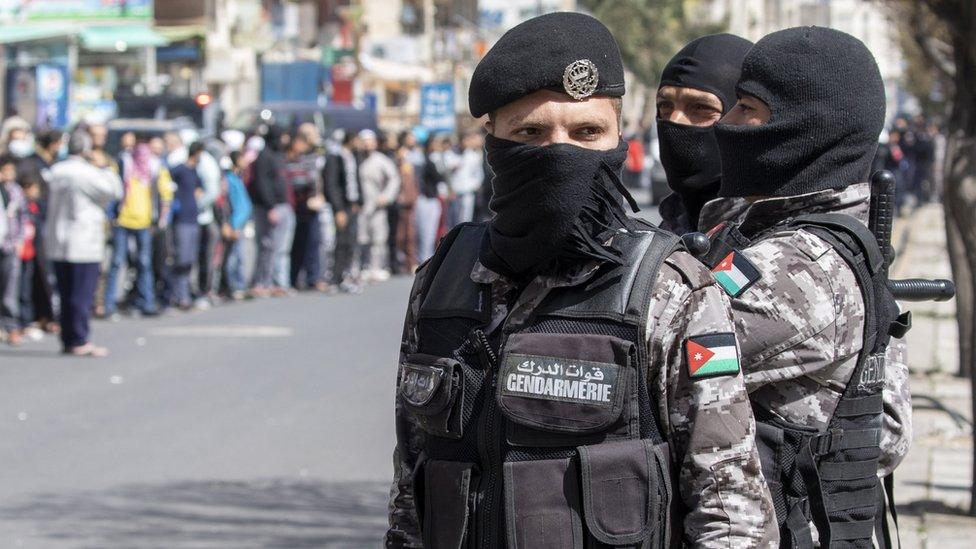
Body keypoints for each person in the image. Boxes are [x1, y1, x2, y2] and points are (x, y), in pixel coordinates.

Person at [386, 12, 776, 548]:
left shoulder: (667, 290)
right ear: (492, 140)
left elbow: (731, 512)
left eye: (587, 132)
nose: (560, 152)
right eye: (530, 132)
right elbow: (410, 491)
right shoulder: (445, 281)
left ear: (618, 139)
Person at [699, 26, 908, 545]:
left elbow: (655, 347)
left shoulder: (799, 268)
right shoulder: (821, 237)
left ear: (803, 128)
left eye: (747, 109)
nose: (728, 124)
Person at [655, 33, 754, 234]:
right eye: (665, 106)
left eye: (700, 107)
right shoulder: (672, 225)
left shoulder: (765, 235)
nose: (674, 121)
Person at [46, 131, 123, 357]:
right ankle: (79, 338)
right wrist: (105, 167)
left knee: (65, 292)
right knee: (81, 294)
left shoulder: (56, 171)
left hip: (58, 240)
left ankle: (69, 337)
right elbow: (114, 190)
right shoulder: (87, 173)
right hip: (83, 242)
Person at [103, 141, 172, 318]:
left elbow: (166, 193)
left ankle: (146, 302)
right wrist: (111, 216)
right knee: (117, 262)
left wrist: (161, 219)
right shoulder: (123, 164)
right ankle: (108, 304)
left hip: (145, 222)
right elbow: (110, 186)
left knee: (144, 263)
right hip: (123, 220)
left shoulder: (156, 167)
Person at [248, 126, 289, 297]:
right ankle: (261, 282)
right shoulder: (264, 156)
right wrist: (270, 206)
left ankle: (272, 281)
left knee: (277, 248)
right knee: (266, 246)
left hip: (281, 205)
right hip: (267, 208)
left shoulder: (278, 155)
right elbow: (262, 183)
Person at [356, 129, 400, 282]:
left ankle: (377, 267)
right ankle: (362, 267)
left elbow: (394, 179)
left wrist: (386, 196)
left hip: (378, 207)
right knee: (361, 239)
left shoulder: (381, 160)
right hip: (360, 208)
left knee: (378, 239)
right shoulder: (356, 160)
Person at [284, 132, 323, 290]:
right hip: (295, 207)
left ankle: (312, 277)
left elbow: (314, 181)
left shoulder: (309, 159)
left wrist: (317, 196)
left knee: (312, 243)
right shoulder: (286, 161)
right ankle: (293, 279)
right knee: (295, 246)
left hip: (309, 207)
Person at [168, 143, 205, 309]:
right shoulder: (180, 169)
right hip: (181, 219)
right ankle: (177, 294)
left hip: (193, 218)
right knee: (181, 259)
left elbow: (200, 188)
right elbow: (166, 178)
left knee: (190, 259)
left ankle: (184, 294)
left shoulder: (194, 171)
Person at [218, 151, 252, 300]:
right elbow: (229, 204)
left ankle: (239, 285)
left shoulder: (238, 178)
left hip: (241, 222)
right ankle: (232, 285)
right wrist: (234, 224)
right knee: (233, 257)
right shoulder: (230, 179)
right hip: (235, 224)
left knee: (240, 256)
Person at [0, 156, 26, 345]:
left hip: (9, 244)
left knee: (10, 288)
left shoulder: (15, 191)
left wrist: (20, 239)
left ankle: (10, 326)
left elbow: (22, 217)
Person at [194, 143, 222, 306]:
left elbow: (212, 193)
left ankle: (205, 290)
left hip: (205, 217)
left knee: (208, 257)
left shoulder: (207, 164)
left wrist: (197, 205)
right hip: (197, 218)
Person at [445, 130, 484, 228]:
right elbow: (446, 175)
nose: (466, 143)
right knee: (453, 222)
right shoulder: (450, 154)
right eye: (464, 140)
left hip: (468, 193)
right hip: (454, 194)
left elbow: (479, 174)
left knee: (466, 221)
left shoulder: (473, 156)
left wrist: (474, 185)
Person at [415, 136, 445, 263]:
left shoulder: (430, 159)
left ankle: (427, 258)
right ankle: (425, 260)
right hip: (426, 199)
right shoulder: (427, 161)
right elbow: (439, 176)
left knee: (430, 232)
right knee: (426, 233)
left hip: (431, 199)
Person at [393, 141, 419, 274]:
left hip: (409, 205)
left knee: (410, 234)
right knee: (399, 236)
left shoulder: (408, 168)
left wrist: (411, 199)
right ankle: (400, 263)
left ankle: (411, 262)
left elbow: (412, 188)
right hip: (398, 206)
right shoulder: (395, 168)